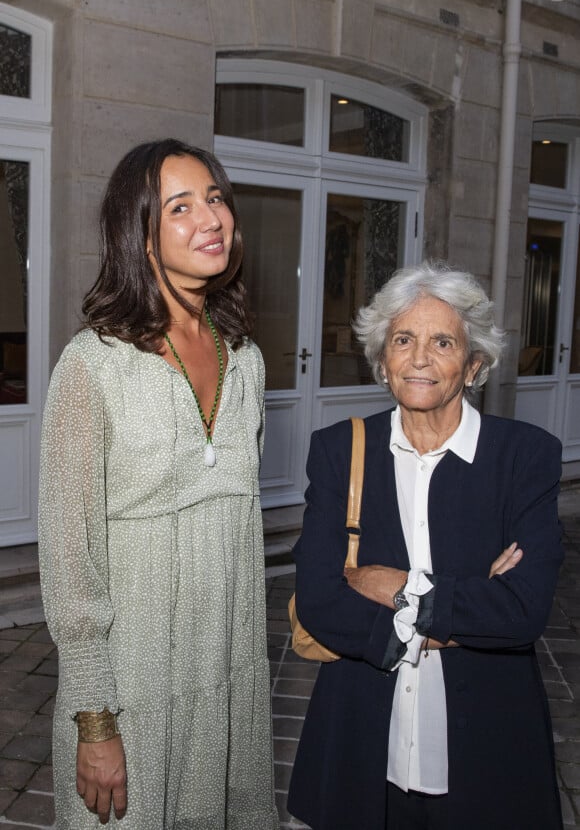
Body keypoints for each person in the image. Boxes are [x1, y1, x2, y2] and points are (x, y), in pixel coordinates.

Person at [38, 139, 279, 830]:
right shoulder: (94, 365)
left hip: (227, 679)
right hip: (130, 687)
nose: (212, 218)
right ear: (139, 235)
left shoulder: (248, 362)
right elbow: (67, 557)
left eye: (215, 199)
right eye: (181, 206)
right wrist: (93, 720)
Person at [287, 261, 564, 830]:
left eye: (442, 342)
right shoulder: (340, 452)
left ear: (473, 365)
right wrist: (459, 609)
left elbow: (522, 611)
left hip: (486, 741)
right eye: (403, 340)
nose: (419, 358)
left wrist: (395, 587)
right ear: (383, 362)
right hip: (363, 735)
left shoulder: (524, 457)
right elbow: (318, 598)